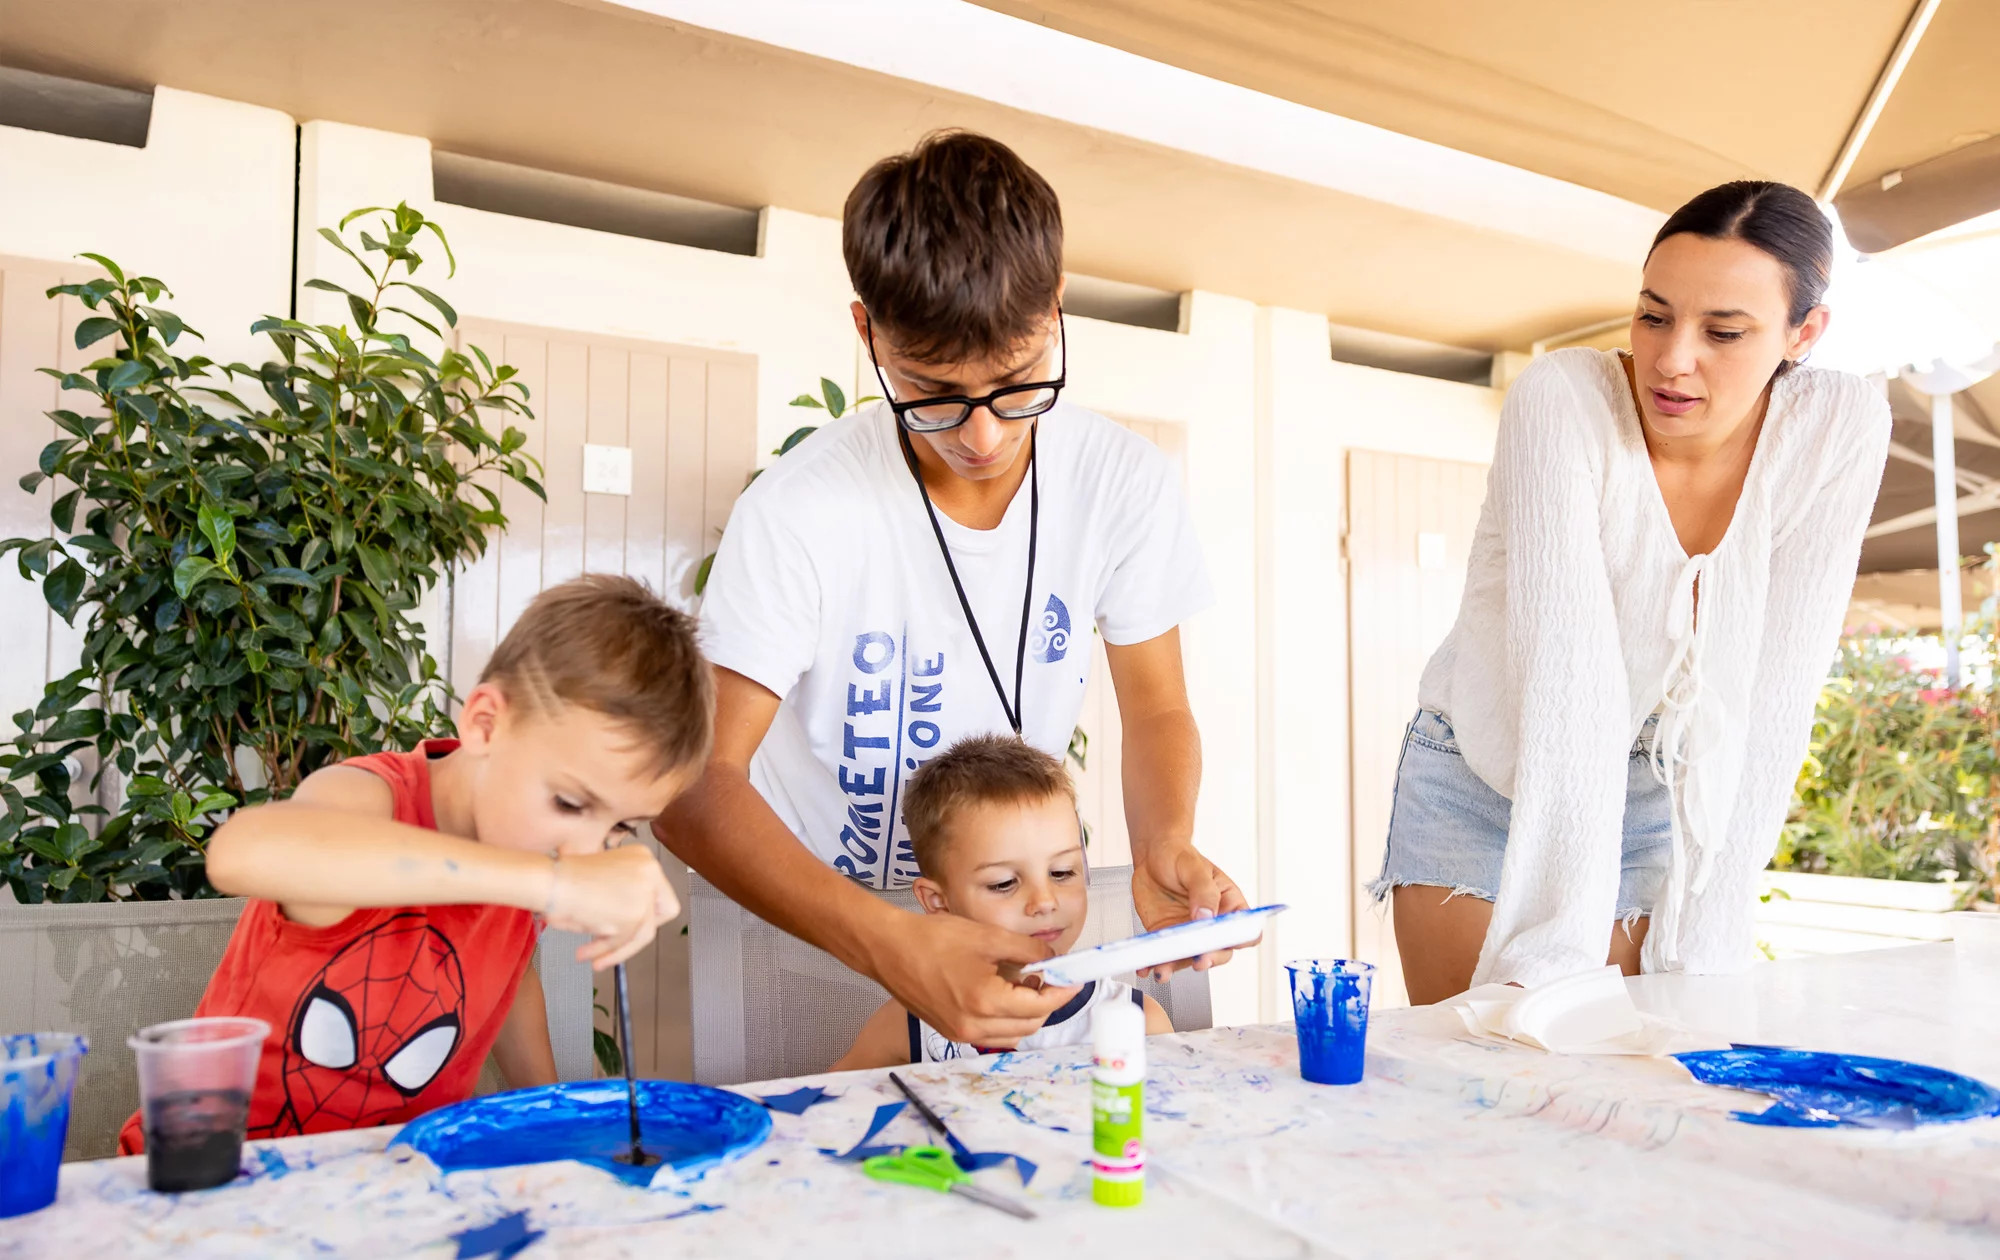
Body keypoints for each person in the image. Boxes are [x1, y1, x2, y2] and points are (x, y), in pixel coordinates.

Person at [662, 130, 1247, 1048]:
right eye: (932, 393)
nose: (980, 436)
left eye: (1016, 385)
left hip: (1012, 912)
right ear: (868, 333)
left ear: (1055, 310)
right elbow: (694, 781)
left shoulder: (1120, 481)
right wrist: (895, 942)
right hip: (828, 929)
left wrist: (1164, 840)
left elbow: (1158, 708)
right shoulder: (801, 509)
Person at [1376, 181, 1891, 1005]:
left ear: (1805, 334)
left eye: (1724, 331)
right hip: (1489, 774)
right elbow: (1568, 680)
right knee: (1489, 1084)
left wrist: (1715, 920)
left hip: (1665, 790)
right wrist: (1555, 959)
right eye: (1653, 315)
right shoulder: (1564, 402)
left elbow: (1779, 692)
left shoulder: (1836, 428)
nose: (1673, 358)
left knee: (1633, 1100)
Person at [117, 576, 709, 1150]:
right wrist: (550, 885)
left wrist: (551, 1116)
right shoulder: (371, 798)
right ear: (485, 724)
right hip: (212, 1171)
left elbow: (507, 972)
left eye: (619, 827)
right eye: (570, 803)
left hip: (396, 1179)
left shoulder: (523, 847)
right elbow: (242, 852)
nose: (585, 851)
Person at [833, 736, 1172, 1070]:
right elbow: (822, 1109)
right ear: (939, 902)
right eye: (1004, 883)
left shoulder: (1138, 1021)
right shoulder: (912, 1024)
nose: (1043, 901)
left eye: (1062, 872)